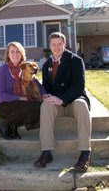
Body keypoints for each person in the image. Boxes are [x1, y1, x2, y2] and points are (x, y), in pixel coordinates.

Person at [34, 32, 92, 172]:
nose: (57, 47)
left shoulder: (76, 60)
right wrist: (45, 95)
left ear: (65, 45)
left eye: (60, 44)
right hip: (57, 103)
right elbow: (47, 87)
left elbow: (79, 86)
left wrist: (63, 99)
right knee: (46, 105)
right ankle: (46, 152)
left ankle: (85, 153)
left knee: (81, 104)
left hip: (73, 100)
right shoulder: (47, 64)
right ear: (50, 45)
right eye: (53, 44)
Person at [0, 41, 46, 140]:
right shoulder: (3, 70)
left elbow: (37, 84)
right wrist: (20, 97)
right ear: (8, 54)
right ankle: (4, 125)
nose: (15, 54)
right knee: (29, 106)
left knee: (37, 106)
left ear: (22, 54)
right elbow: (0, 95)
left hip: (19, 103)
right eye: (12, 52)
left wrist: (44, 94)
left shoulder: (25, 68)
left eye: (18, 52)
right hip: (4, 105)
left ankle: (13, 128)